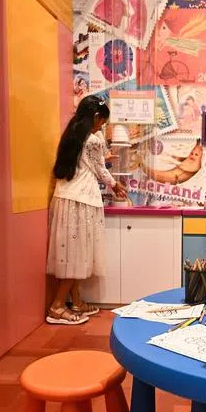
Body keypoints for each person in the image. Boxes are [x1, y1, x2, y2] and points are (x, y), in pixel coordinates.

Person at [47, 95, 127, 324]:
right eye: (102, 121)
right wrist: (115, 184)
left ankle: (77, 301)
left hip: (66, 197)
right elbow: (100, 169)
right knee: (78, 255)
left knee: (74, 255)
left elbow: (88, 163)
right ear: (95, 117)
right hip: (82, 201)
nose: (102, 125)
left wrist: (103, 161)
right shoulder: (94, 139)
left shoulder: (72, 133)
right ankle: (57, 307)